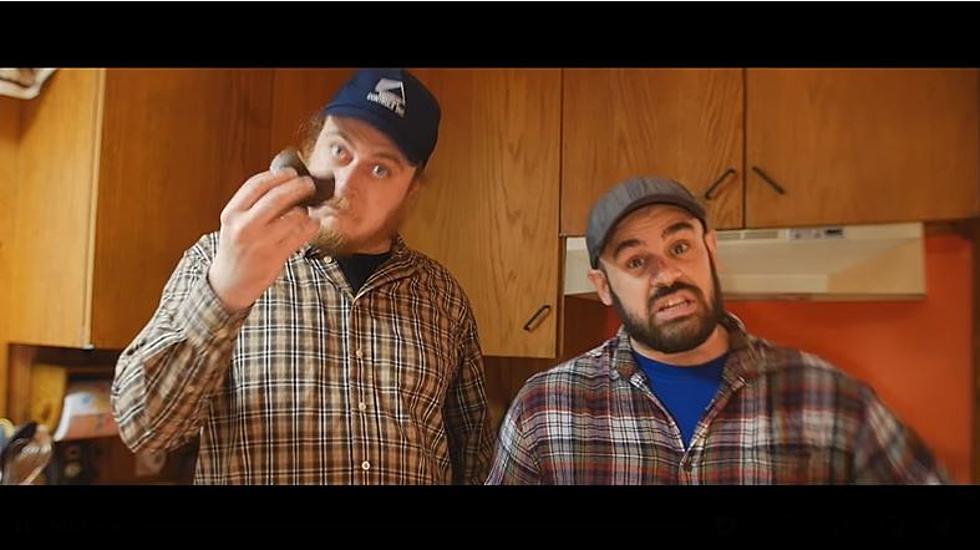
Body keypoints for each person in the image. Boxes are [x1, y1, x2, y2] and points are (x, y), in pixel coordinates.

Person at [112, 68, 494, 484]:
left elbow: (475, 461)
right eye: (339, 150)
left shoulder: (443, 296)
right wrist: (225, 294)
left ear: (412, 189)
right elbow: (145, 430)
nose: (346, 182)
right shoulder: (217, 258)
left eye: (380, 169)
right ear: (310, 148)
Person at [486, 175, 948, 484]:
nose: (667, 274)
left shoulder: (829, 402)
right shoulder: (544, 411)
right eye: (636, 261)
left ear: (710, 250)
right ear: (603, 286)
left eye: (680, 245)